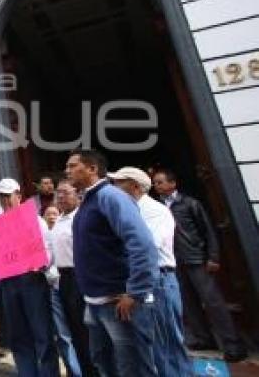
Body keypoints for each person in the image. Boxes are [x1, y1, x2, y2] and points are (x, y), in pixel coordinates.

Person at [66, 149, 159, 377]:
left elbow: (142, 244)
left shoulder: (110, 196)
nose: (67, 171)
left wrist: (135, 291)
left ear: (92, 169)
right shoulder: (88, 201)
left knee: (133, 367)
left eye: (72, 166)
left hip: (118, 304)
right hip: (95, 302)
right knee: (104, 363)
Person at [152, 169, 247, 362]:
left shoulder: (189, 204)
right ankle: (204, 338)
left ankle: (233, 345)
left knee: (213, 302)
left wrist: (213, 256)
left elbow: (208, 230)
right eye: (155, 183)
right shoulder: (157, 207)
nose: (157, 186)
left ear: (173, 183)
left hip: (196, 258)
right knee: (188, 303)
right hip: (174, 260)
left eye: (160, 182)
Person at [110, 166, 191, 377]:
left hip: (158, 280)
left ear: (135, 187)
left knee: (166, 343)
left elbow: (147, 248)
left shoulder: (154, 210)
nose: (115, 188)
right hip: (140, 282)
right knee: (150, 345)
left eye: (120, 183)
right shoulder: (128, 211)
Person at [0, 178, 59, 377]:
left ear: (18, 196)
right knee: (18, 335)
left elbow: (49, 249)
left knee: (42, 333)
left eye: (8, 196)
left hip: (32, 280)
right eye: (1, 196)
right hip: (7, 282)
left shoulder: (34, 219)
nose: (5, 200)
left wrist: (42, 264)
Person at [52, 179, 96, 377]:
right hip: (63, 279)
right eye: (58, 193)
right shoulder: (58, 221)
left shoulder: (81, 217)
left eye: (65, 192)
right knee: (74, 331)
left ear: (78, 195)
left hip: (81, 275)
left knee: (87, 331)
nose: (60, 197)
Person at [43, 205, 82, 377]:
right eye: (48, 213)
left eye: (55, 213)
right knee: (63, 334)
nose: (52, 216)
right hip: (54, 288)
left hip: (72, 284)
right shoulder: (46, 232)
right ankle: (74, 371)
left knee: (80, 331)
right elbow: (47, 258)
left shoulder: (70, 225)